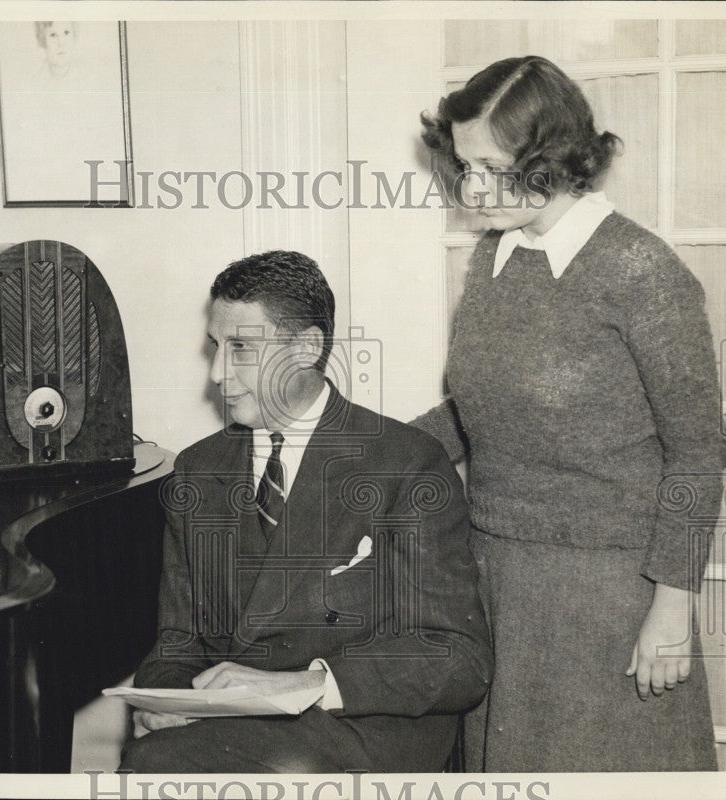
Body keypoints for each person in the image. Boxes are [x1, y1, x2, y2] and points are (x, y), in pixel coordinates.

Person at [413, 55, 726, 772]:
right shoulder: (493, 258)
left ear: (554, 158)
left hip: (610, 597)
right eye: (464, 166)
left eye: (493, 167)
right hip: (494, 579)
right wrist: (355, 446)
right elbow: (478, 411)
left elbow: (697, 453)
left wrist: (672, 608)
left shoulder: (640, 271)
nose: (473, 189)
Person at [119, 251, 493, 773]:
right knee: (148, 760)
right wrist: (164, 701)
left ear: (307, 348)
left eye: (242, 349)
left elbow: (459, 657)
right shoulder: (197, 470)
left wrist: (312, 680)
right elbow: (177, 642)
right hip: (230, 729)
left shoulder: (408, 464)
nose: (217, 373)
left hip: (361, 726)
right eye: (215, 348)